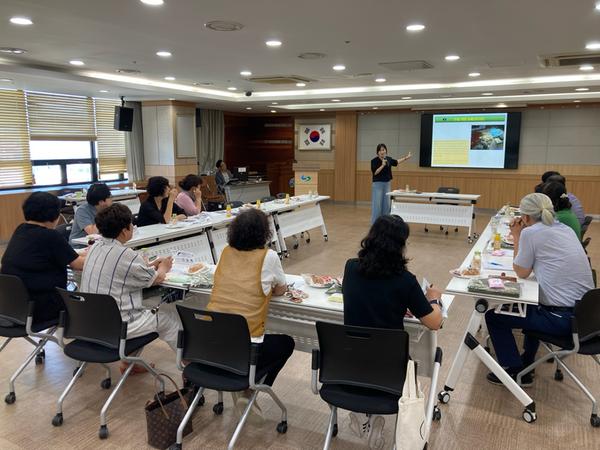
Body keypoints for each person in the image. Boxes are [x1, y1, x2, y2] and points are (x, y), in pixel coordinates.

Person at [342, 214, 443, 447]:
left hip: (350, 361)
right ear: (401, 245)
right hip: (390, 368)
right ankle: (376, 415)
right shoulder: (405, 281)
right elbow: (434, 322)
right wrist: (434, 299)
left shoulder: (350, 267)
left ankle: (366, 413)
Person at [485, 193, 594, 387]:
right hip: (588, 316)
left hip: (563, 320)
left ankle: (515, 371)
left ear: (525, 218)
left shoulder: (530, 233)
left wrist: (518, 234)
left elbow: (521, 271)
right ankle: (527, 360)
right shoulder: (566, 230)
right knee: (530, 304)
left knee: (494, 317)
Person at [207, 208, 294, 419]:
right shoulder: (269, 256)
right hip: (247, 345)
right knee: (286, 343)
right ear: (264, 233)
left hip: (212, 342)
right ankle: (251, 386)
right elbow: (281, 289)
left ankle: (245, 384)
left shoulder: (226, 252)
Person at [80, 203, 179, 367]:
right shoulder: (125, 254)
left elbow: (125, 271)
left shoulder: (95, 247)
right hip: (117, 327)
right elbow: (158, 279)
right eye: (132, 224)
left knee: (141, 310)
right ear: (125, 230)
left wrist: (152, 264)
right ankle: (188, 367)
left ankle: (131, 364)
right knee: (169, 319)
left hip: (90, 323)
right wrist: (163, 266)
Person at [1, 192, 85, 325]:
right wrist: (99, 254)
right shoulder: (50, 236)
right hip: (41, 309)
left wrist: (86, 253)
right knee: (85, 303)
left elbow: (66, 254)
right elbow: (79, 265)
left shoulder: (21, 230)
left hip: (11, 308)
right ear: (55, 215)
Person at [370, 144, 411, 223]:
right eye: (380, 150)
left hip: (387, 184)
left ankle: (385, 222)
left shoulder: (388, 159)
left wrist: (406, 158)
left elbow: (396, 162)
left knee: (387, 205)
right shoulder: (374, 161)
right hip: (378, 185)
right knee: (377, 205)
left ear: (386, 151)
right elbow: (375, 172)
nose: (382, 151)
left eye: (384, 149)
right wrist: (382, 165)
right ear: (378, 152)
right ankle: (375, 223)